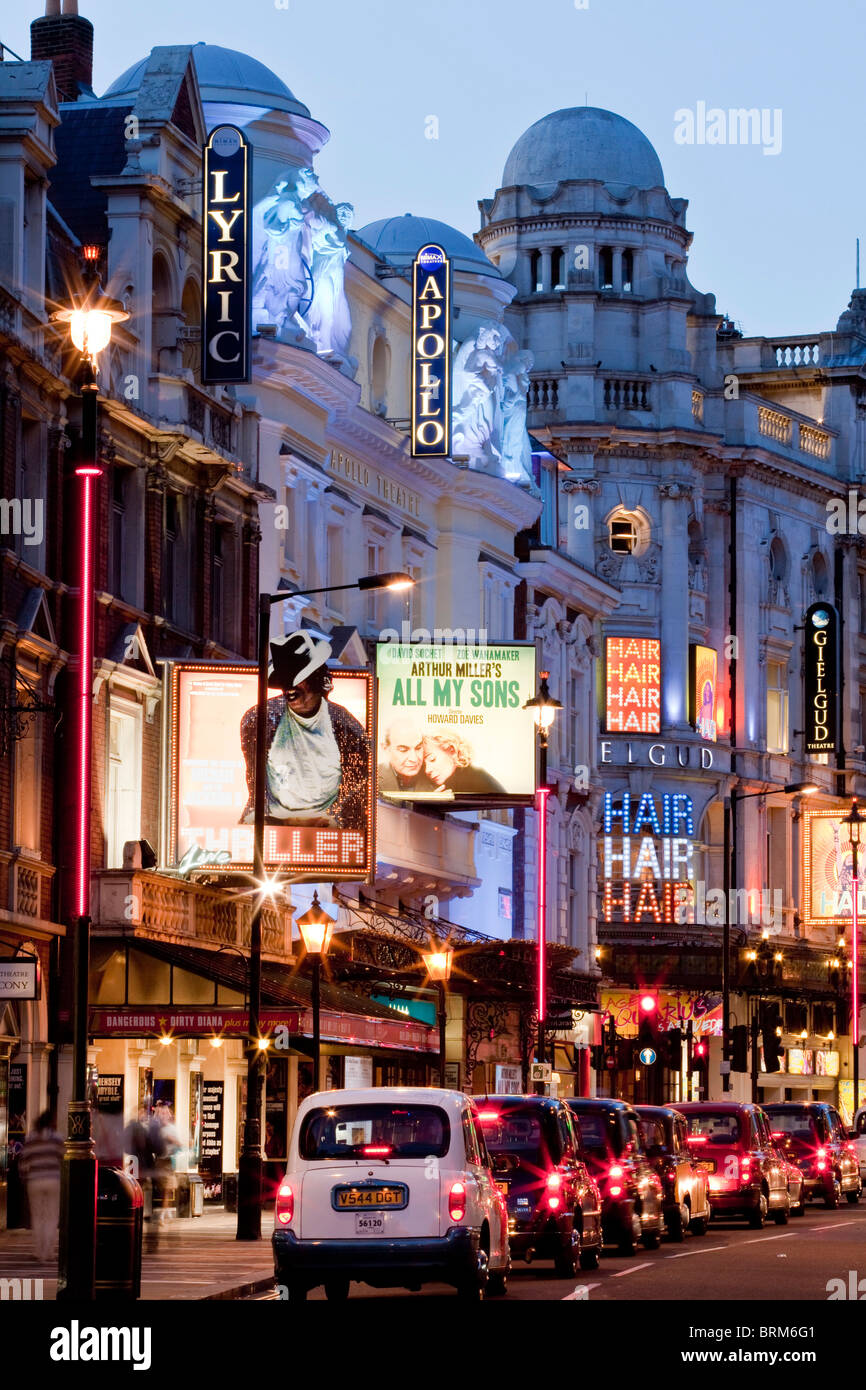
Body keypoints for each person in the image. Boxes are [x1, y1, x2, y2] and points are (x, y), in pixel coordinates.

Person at [239, 630, 370, 830]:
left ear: (317, 680)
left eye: (297, 678)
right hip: (271, 824)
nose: (288, 687)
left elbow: (358, 783)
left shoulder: (346, 728)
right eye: (283, 679)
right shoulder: (257, 720)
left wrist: (332, 817)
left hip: (329, 828)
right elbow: (254, 780)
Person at [18, 1111, 64, 1263]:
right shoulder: (57, 1138)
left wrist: (25, 1177)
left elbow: (24, 1163)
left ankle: (38, 1252)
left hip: (35, 1180)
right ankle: (48, 1252)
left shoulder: (31, 1139)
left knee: (37, 1217)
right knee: (51, 1217)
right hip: (53, 1180)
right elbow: (63, 1158)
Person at [423, 733, 506, 796]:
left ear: (452, 751)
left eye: (432, 759)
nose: (427, 770)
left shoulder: (476, 781)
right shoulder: (457, 781)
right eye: (424, 765)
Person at [378, 717, 435, 796]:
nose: (414, 759)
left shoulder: (435, 776)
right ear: (386, 749)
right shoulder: (371, 778)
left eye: (418, 748)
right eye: (403, 750)